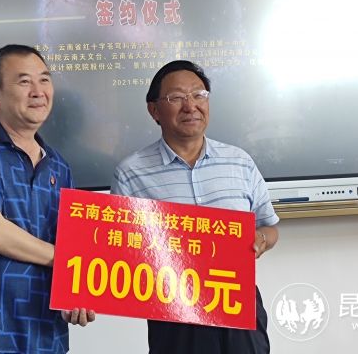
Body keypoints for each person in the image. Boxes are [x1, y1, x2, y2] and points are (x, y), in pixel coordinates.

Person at [111, 60, 279, 354]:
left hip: (238, 301)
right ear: (154, 110)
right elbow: (116, 248)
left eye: (199, 95)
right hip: (175, 313)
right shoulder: (131, 173)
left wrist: (262, 239)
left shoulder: (239, 162)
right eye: (176, 97)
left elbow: (269, 226)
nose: (190, 106)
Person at [0, 44, 94, 354]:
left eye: (44, 79)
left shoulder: (59, 166)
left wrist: (77, 291)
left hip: (46, 335)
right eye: (24, 81)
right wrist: (68, 261)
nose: (38, 91)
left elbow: (73, 243)